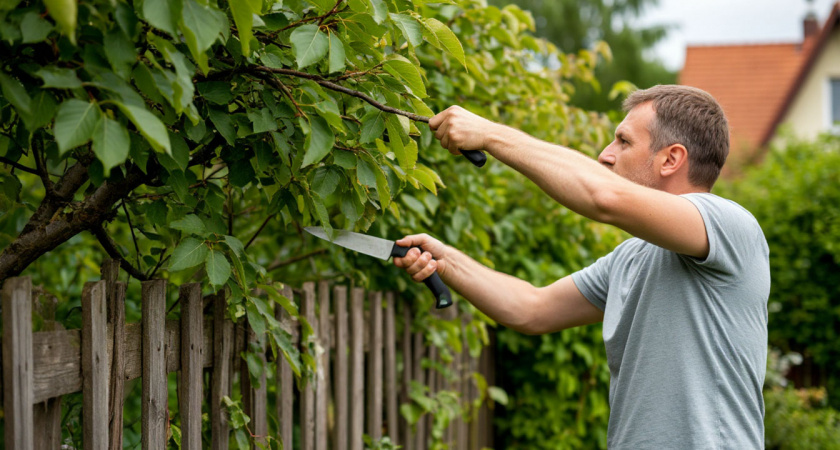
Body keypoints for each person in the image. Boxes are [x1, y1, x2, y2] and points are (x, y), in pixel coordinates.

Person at [393, 85, 770, 449]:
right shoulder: (632, 258)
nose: (606, 154)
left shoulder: (728, 226)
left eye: (623, 141)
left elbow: (603, 196)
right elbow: (531, 309)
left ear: (671, 159)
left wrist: (489, 134)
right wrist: (446, 260)